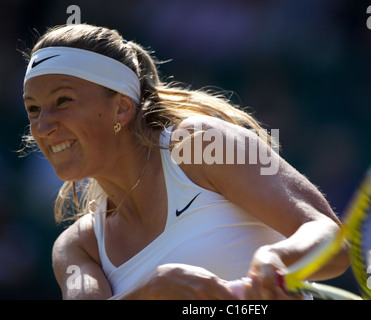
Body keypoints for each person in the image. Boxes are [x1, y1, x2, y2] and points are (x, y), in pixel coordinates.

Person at [22, 23, 349, 300]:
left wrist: (277, 258)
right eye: (33, 109)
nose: (42, 126)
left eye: (62, 100)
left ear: (121, 108)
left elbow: (331, 239)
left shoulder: (200, 143)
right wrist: (148, 293)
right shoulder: (76, 248)